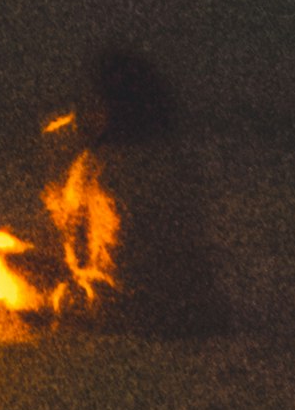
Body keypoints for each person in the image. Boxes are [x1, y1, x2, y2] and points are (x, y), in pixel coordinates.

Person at [49, 40, 232, 334]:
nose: (78, 111)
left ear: (109, 107)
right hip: (197, 310)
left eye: (88, 101)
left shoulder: (95, 167)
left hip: (129, 314)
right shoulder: (176, 159)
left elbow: (80, 256)